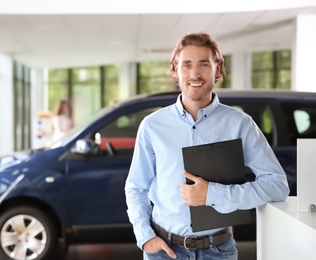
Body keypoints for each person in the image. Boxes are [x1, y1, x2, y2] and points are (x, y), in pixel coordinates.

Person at [124, 32, 289, 260]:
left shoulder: (240, 124)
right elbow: (136, 187)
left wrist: (214, 194)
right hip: (164, 251)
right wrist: (145, 237)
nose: (195, 74)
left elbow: (277, 186)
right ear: (175, 69)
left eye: (204, 64)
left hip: (218, 251)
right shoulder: (152, 126)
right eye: (187, 65)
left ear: (218, 68)